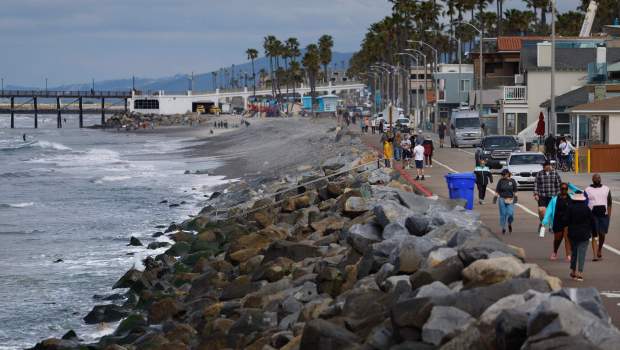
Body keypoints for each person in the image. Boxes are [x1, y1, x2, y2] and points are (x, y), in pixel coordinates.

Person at [567, 191, 594, 281]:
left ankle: (573, 271)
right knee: (582, 253)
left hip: (573, 233)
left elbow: (565, 220)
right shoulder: (587, 209)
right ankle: (580, 273)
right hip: (584, 234)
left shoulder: (570, 208)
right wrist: (594, 234)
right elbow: (592, 222)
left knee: (574, 252)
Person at [585, 174, 613, 261]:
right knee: (594, 235)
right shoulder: (587, 190)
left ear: (601, 179)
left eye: (599, 178)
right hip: (592, 216)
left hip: (604, 216)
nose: (597, 179)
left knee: (602, 234)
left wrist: (609, 216)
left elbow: (609, 203)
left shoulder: (606, 189)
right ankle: (595, 255)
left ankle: (599, 249)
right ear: (592, 179)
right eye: (595, 178)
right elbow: (585, 204)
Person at [534, 160, 562, 234]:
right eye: (546, 166)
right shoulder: (539, 174)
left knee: (552, 212)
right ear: (544, 166)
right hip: (542, 195)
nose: (548, 167)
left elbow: (559, 185)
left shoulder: (555, 173)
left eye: (549, 165)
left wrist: (559, 195)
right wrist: (536, 194)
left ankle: (551, 226)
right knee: (541, 211)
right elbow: (536, 184)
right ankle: (542, 222)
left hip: (553, 196)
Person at [551, 183, 572, 261]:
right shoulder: (555, 199)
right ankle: (555, 251)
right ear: (560, 189)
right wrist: (545, 221)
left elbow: (579, 191)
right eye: (562, 189)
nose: (564, 190)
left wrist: (571, 185)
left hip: (567, 222)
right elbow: (550, 210)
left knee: (567, 238)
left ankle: (568, 255)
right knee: (558, 239)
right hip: (558, 221)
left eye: (565, 189)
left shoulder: (570, 198)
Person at [495, 169, 518, 234]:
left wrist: (515, 199)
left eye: (503, 174)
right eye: (502, 174)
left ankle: (509, 223)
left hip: (510, 199)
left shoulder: (512, 181)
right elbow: (497, 190)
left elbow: (515, 190)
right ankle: (503, 227)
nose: (502, 176)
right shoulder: (501, 181)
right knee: (503, 214)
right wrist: (495, 198)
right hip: (502, 199)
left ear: (507, 174)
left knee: (510, 213)